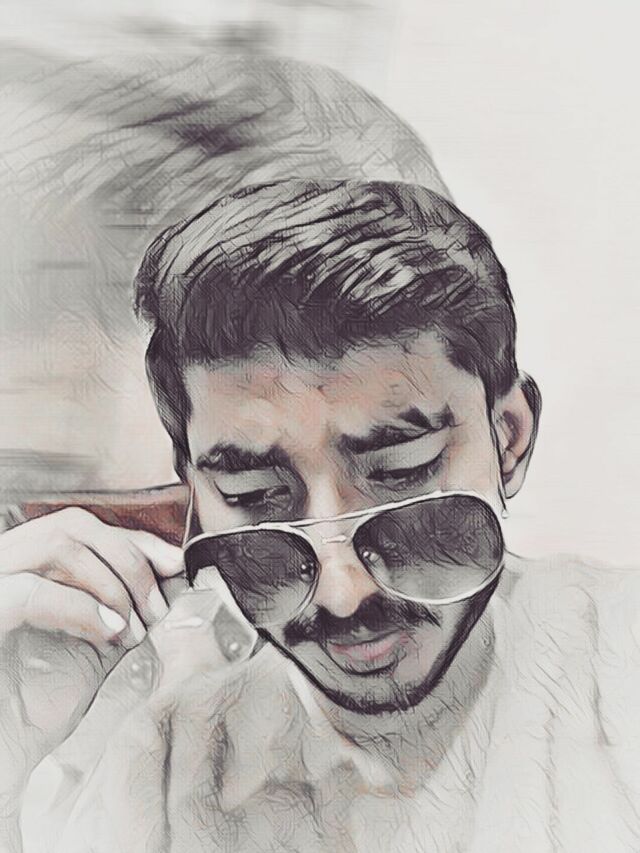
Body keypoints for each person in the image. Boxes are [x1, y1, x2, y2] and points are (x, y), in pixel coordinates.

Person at [2, 57, 639, 853]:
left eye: (400, 474)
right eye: (256, 496)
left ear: (508, 436)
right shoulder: (155, 773)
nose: (341, 592)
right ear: (193, 490)